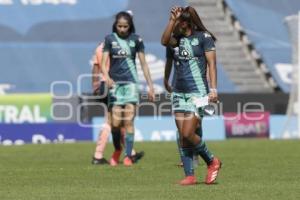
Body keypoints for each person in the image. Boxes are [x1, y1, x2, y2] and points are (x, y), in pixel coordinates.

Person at [161, 6, 222, 185]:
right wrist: (171, 19)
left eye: (179, 21)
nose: (176, 25)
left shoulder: (204, 38)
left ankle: (212, 161)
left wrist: (214, 90)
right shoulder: (176, 40)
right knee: (182, 135)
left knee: (188, 133)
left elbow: (212, 65)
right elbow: (164, 41)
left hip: (198, 93)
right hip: (179, 92)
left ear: (187, 23)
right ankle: (190, 175)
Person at [101, 11, 155, 166]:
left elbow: (144, 64)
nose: (122, 29)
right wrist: (108, 78)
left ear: (130, 25)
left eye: (125, 26)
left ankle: (128, 156)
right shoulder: (110, 39)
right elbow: (104, 64)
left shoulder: (136, 39)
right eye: (120, 26)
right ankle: (118, 149)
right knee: (116, 123)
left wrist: (150, 86)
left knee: (129, 121)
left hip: (131, 84)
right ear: (115, 25)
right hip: (115, 85)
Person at [91, 42, 144, 165]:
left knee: (118, 121)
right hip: (116, 84)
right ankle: (98, 155)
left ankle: (130, 153)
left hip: (104, 85)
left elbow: (95, 67)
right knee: (113, 121)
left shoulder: (99, 47)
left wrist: (95, 86)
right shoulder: (119, 46)